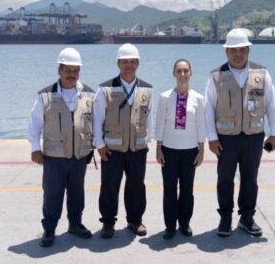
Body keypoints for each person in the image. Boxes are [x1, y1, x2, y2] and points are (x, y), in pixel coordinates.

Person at [205, 28, 275, 238]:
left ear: (248, 50)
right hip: (226, 138)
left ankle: (247, 218)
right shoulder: (216, 76)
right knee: (225, 179)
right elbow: (208, 108)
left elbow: (271, 103)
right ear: (226, 52)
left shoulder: (262, 74)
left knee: (250, 178)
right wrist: (211, 137)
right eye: (233, 50)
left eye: (242, 50)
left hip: (253, 136)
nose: (238, 54)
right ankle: (225, 217)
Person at [27, 47, 95, 247]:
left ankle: (75, 224)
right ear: (59, 70)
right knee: (52, 194)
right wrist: (35, 148)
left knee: (77, 193)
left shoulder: (90, 94)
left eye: (75, 70)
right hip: (54, 156)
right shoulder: (45, 95)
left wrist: (94, 145)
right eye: (67, 70)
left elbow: (96, 122)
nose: (71, 74)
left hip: (79, 155)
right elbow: (34, 123)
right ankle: (49, 229)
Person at [94, 43, 154, 238]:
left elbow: (149, 117)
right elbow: (97, 118)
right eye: (124, 62)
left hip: (138, 148)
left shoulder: (147, 89)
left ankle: (135, 220)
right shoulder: (105, 89)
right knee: (109, 186)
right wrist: (99, 144)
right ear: (118, 63)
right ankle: (108, 222)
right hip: (112, 148)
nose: (129, 65)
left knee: (137, 185)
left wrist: (147, 140)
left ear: (138, 63)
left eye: (132, 61)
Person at [155, 59, 206, 239]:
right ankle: (170, 226)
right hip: (169, 150)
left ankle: (184, 223)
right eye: (179, 71)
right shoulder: (164, 97)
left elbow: (201, 125)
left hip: (190, 151)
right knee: (169, 190)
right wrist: (158, 148)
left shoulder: (198, 98)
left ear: (191, 74)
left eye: (185, 71)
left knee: (187, 190)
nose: (182, 74)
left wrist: (201, 149)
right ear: (174, 73)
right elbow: (160, 123)